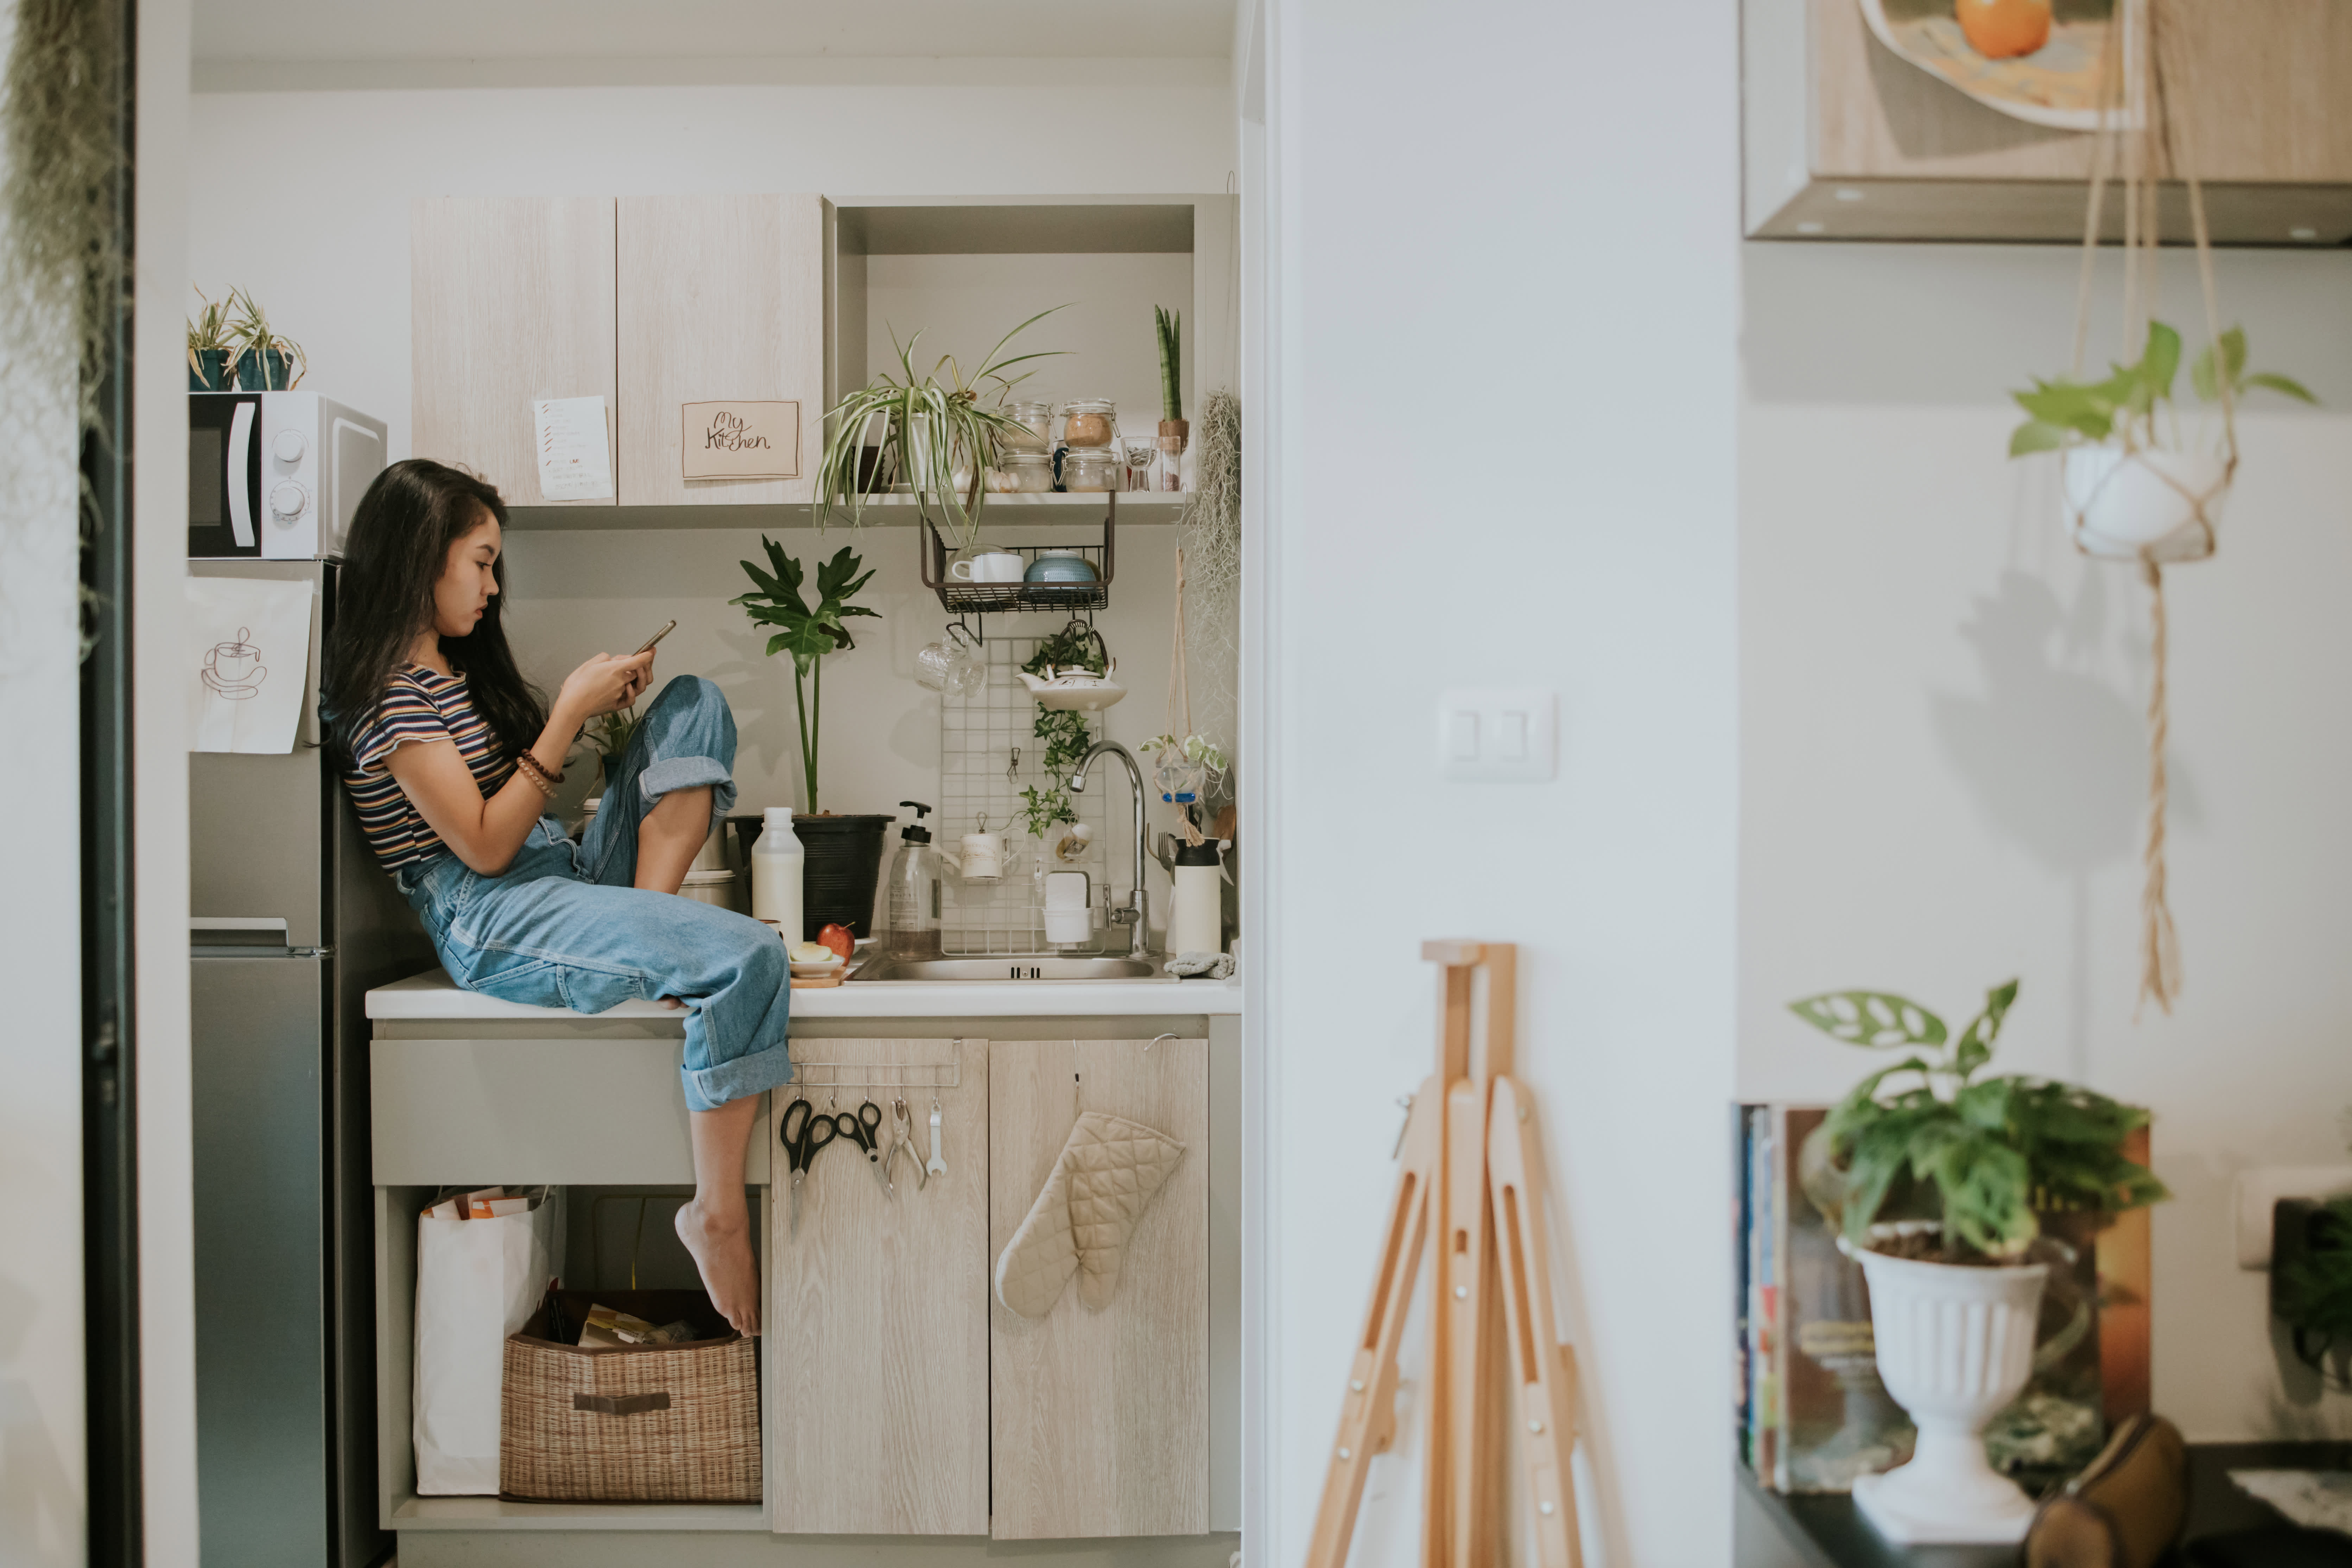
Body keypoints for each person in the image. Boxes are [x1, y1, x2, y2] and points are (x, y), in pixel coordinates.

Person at [324, 458, 784, 1335]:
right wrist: (569, 710)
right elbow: (486, 845)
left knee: (694, 702)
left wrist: (588, 707)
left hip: (557, 878)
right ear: (422, 559)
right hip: (488, 911)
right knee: (748, 955)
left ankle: (646, 936)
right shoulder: (388, 697)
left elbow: (523, 831)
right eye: (482, 562)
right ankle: (715, 1213)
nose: (493, 587)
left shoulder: (449, 674)